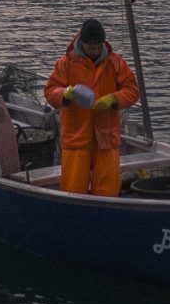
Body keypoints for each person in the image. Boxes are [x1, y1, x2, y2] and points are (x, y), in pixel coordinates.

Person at [45, 16, 139, 196]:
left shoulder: (115, 62)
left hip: (106, 137)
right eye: (91, 47)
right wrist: (64, 95)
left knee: (108, 191)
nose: (95, 51)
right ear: (82, 43)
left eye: (98, 47)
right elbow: (50, 92)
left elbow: (132, 90)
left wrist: (114, 99)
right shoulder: (65, 64)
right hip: (76, 137)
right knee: (73, 190)